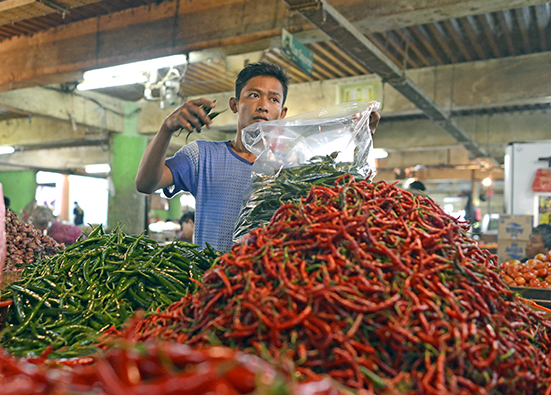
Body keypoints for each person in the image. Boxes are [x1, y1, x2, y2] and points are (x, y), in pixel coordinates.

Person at [136, 61, 380, 252]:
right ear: (234, 104)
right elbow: (146, 183)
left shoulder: (293, 166)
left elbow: (343, 203)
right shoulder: (202, 156)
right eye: (253, 95)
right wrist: (166, 129)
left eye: (273, 99)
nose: (263, 105)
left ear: (282, 113)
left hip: (266, 290)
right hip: (211, 286)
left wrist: (360, 139)